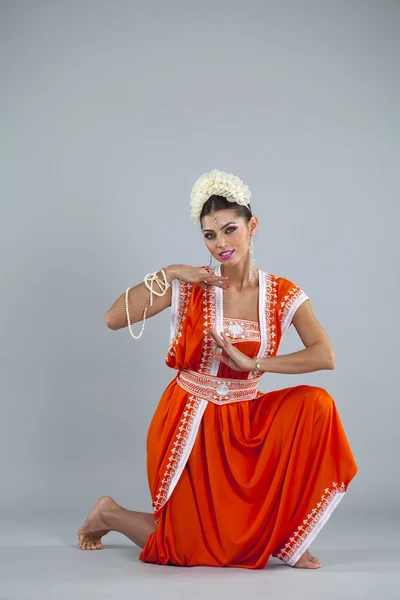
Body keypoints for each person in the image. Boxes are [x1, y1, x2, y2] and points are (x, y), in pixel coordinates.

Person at [78, 169, 358, 570]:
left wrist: (254, 363)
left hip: (247, 423)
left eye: (230, 229)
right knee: (189, 548)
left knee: (317, 404)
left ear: (252, 225)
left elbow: (324, 355)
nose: (221, 244)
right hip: (190, 420)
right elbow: (112, 318)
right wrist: (172, 272)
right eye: (210, 235)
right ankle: (109, 514)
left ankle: (287, 540)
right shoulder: (190, 285)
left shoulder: (282, 293)